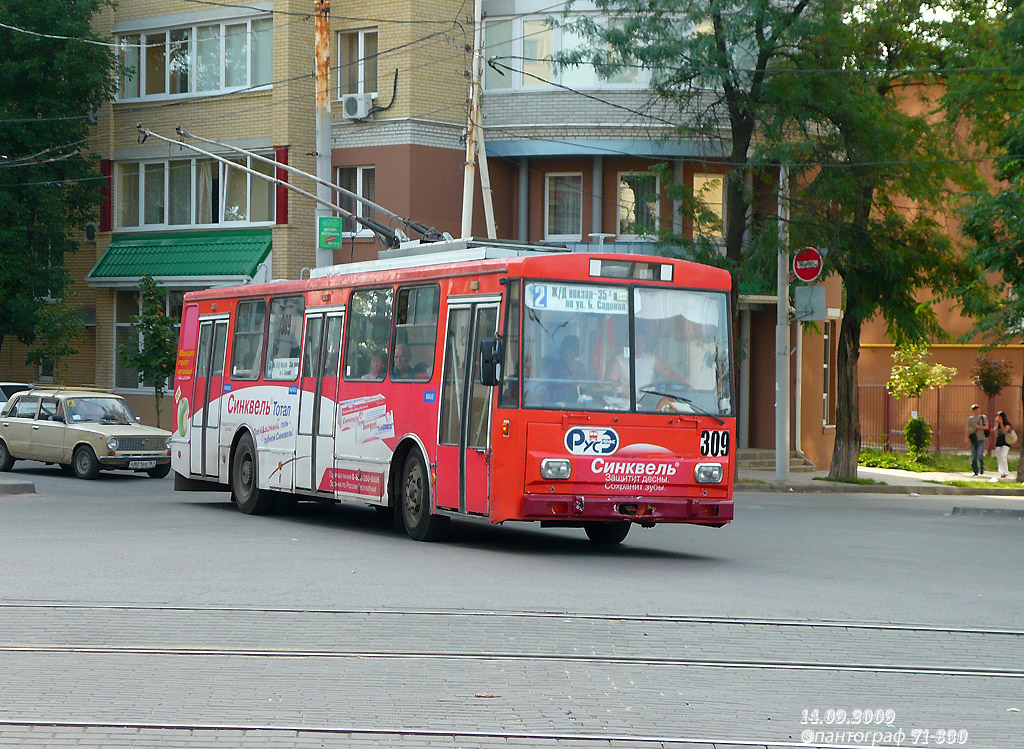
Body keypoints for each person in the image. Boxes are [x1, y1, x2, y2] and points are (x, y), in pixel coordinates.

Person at [606, 330, 688, 398]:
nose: (640, 343)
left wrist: (684, 382)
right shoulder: (619, 360)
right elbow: (611, 380)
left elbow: (669, 374)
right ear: (628, 341)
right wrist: (622, 389)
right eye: (637, 340)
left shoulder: (652, 358)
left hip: (649, 402)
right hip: (627, 403)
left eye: (642, 340)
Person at [966, 404, 989, 476]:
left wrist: (979, 427)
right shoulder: (970, 419)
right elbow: (968, 428)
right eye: (976, 410)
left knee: (980, 454)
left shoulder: (983, 417)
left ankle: (982, 467)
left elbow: (986, 427)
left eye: (978, 410)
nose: (977, 411)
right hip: (974, 439)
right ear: (973, 411)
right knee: (974, 455)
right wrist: (966, 437)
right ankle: (975, 471)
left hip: (981, 438)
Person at [994, 411, 1013, 479]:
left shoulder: (1007, 423)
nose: (998, 418)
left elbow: (1005, 431)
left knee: (1003, 455)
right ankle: (1001, 472)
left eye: (999, 417)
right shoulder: (997, 424)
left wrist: (1001, 423)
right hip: (999, 441)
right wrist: (997, 423)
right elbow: (995, 432)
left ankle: (1006, 471)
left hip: (1006, 442)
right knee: (999, 457)